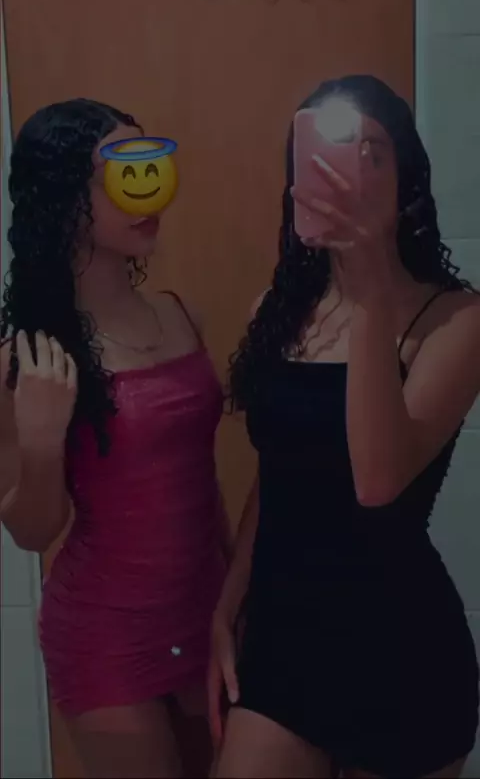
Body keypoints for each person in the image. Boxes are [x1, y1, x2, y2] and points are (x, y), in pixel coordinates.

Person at [209, 75, 480, 779]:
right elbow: (277, 472)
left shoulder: (456, 320)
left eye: (373, 152)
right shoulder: (277, 309)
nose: (352, 168)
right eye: (332, 151)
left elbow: (378, 481)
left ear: (406, 176)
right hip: (284, 639)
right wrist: (228, 602)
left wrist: (368, 292)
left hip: (400, 650)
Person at [0, 99, 230, 779]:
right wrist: (42, 440)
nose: (147, 190)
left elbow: (203, 481)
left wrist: (237, 599)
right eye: (123, 173)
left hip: (207, 611)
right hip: (105, 634)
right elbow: (32, 531)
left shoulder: (179, 313)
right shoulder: (25, 356)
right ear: (65, 198)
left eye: (150, 166)